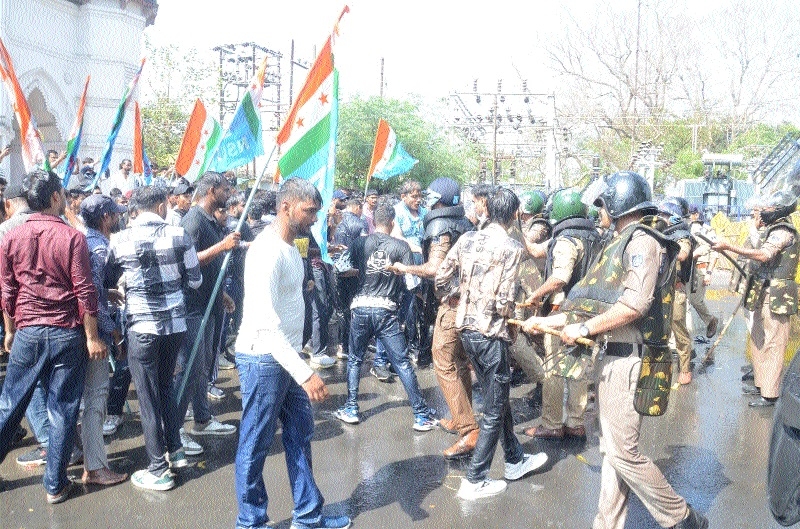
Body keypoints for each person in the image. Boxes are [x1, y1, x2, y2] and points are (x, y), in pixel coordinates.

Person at [523, 171, 707, 529]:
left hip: (630, 359)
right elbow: (593, 305)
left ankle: (682, 517)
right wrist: (547, 322)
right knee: (612, 453)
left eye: (603, 205)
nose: (599, 213)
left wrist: (584, 329)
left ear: (618, 204)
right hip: (613, 356)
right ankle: (607, 523)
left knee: (624, 454)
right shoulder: (621, 241)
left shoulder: (642, 242)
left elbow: (634, 305)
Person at [234, 178, 351, 529]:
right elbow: (266, 324)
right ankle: (250, 522)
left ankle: (308, 516)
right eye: (309, 211)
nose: (314, 218)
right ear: (285, 207)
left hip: (287, 357)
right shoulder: (265, 251)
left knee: (300, 434)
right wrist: (305, 372)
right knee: (255, 443)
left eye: (316, 212)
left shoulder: (293, 246)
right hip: (262, 359)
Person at [0, 169, 106, 504]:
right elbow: (84, 291)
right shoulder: (72, 237)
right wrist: (92, 337)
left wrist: (10, 330)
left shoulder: (11, 236)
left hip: (29, 331)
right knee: (62, 409)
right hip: (65, 333)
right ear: (55, 197)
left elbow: (7, 290)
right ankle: (55, 485)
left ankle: (57, 482)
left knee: (9, 404)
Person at [436, 187, 548, 500]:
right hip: (490, 333)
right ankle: (475, 479)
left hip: (466, 329)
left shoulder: (467, 238)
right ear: (514, 215)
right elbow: (504, 303)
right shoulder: (512, 248)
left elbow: (441, 278)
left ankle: (514, 459)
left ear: (487, 210)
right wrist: (515, 320)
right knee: (495, 408)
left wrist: (459, 296)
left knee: (498, 397)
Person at [106, 185, 202, 490]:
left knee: (147, 398)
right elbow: (196, 280)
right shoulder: (180, 236)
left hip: (142, 328)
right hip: (174, 326)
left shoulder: (119, 240)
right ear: (161, 206)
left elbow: (108, 280)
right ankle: (176, 450)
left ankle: (158, 468)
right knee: (165, 387)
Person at [391, 177, 479, 458]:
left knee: (442, 360)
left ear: (440, 200)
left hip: (451, 303)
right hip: (467, 300)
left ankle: (469, 430)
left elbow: (434, 268)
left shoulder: (440, 224)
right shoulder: (465, 223)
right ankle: (460, 416)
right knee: (459, 361)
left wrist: (404, 268)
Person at [333, 200, 438, 431]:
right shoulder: (401, 246)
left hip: (360, 307)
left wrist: (361, 272)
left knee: (355, 359)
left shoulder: (360, 243)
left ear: (373, 221)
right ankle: (420, 415)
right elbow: (412, 283)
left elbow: (340, 268)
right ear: (392, 222)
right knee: (402, 363)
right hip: (386, 311)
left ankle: (351, 408)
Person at [523, 188, 600, 439]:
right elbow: (536, 251)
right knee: (580, 366)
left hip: (563, 311)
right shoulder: (594, 237)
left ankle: (552, 424)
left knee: (554, 367)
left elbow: (560, 278)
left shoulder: (566, 241)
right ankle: (576, 423)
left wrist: (536, 295)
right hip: (589, 311)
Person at [712, 190, 798, 408]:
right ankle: (761, 384)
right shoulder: (771, 229)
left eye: (768, 208)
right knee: (758, 339)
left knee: (774, 342)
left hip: (777, 293)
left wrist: (728, 247)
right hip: (763, 290)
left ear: (779, 210)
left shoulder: (783, 231)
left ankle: (770, 394)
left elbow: (764, 255)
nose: (763, 211)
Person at [175, 172, 239, 450]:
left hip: (209, 304)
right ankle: (174, 432)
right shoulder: (193, 220)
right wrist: (221, 246)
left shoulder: (210, 221)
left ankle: (202, 418)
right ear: (212, 190)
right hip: (192, 307)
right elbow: (184, 261)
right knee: (189, 368)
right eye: (225, 189)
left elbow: (207, 267)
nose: (229, 194)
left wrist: (221, 293)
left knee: (201, 367)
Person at [79, 195, 129, 486]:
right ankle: (95, 467)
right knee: (96, 398)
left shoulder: (82, 240)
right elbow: (92, 298)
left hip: (74, 329)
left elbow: (94, 289)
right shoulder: (98, 247)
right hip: (93, 332)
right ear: (105, 218)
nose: (119, 217)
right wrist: (112, 331)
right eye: (115, 213)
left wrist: (105, 293)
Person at [391, 180, 430, 366]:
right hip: (405, 263)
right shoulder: (397, 212)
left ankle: (422, 347)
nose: (418, 200)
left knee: (424, 305)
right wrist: (416, 248)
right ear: (403, 197)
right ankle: (407, 345)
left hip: (424, 263)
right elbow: (396, 236)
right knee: (408, 306)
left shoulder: (424, 212)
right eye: (414, 196)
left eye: (419, 196)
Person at [658, 198, 695, 385]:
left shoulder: (682, 236)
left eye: (664, 215)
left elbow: (683, 254)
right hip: (660, 288)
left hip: (675, 289)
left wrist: (663, 250)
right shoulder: (661, 233)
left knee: (679, 331)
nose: (661, 218)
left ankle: (685, 368)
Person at [688, 206, 718, 339]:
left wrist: (709, 273)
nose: (689, 217)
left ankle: (711, 320)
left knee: (696, 301)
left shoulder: (706, 230)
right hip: (687, 269)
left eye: (691, 214)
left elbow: (715, 253)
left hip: (700, 268)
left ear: (697, 215)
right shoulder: (686, 228)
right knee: (684, 301)